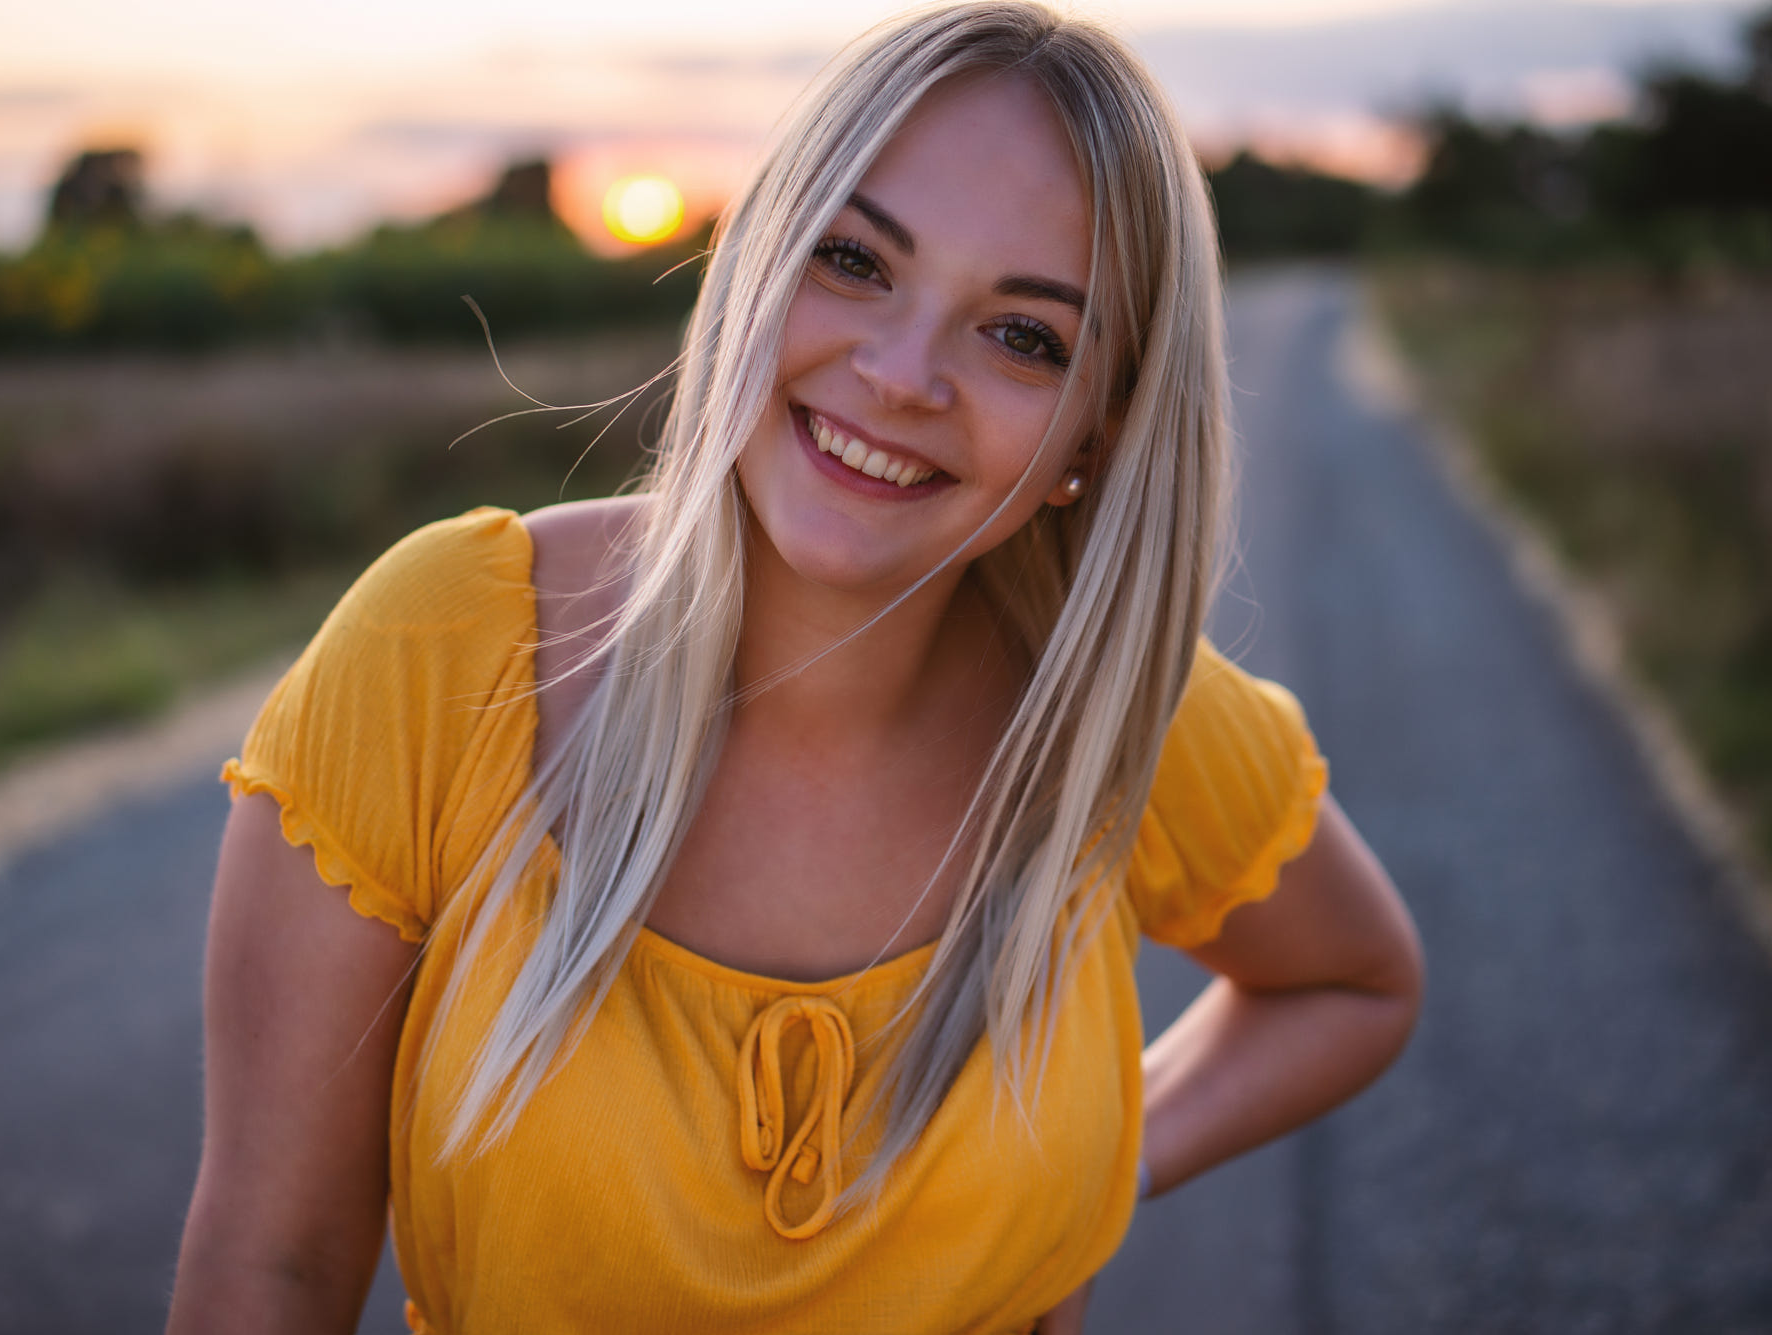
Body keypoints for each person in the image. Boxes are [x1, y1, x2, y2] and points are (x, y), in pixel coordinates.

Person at [166, 4, 1424, 1332]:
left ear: (1090, 443)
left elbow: (1352, 979)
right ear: (756, 254)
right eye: (853, 259)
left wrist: (1087, 1186)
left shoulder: (1103, 709)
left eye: (1023, 337)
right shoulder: (450, 650)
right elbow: (273, 1265)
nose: (899, 374)